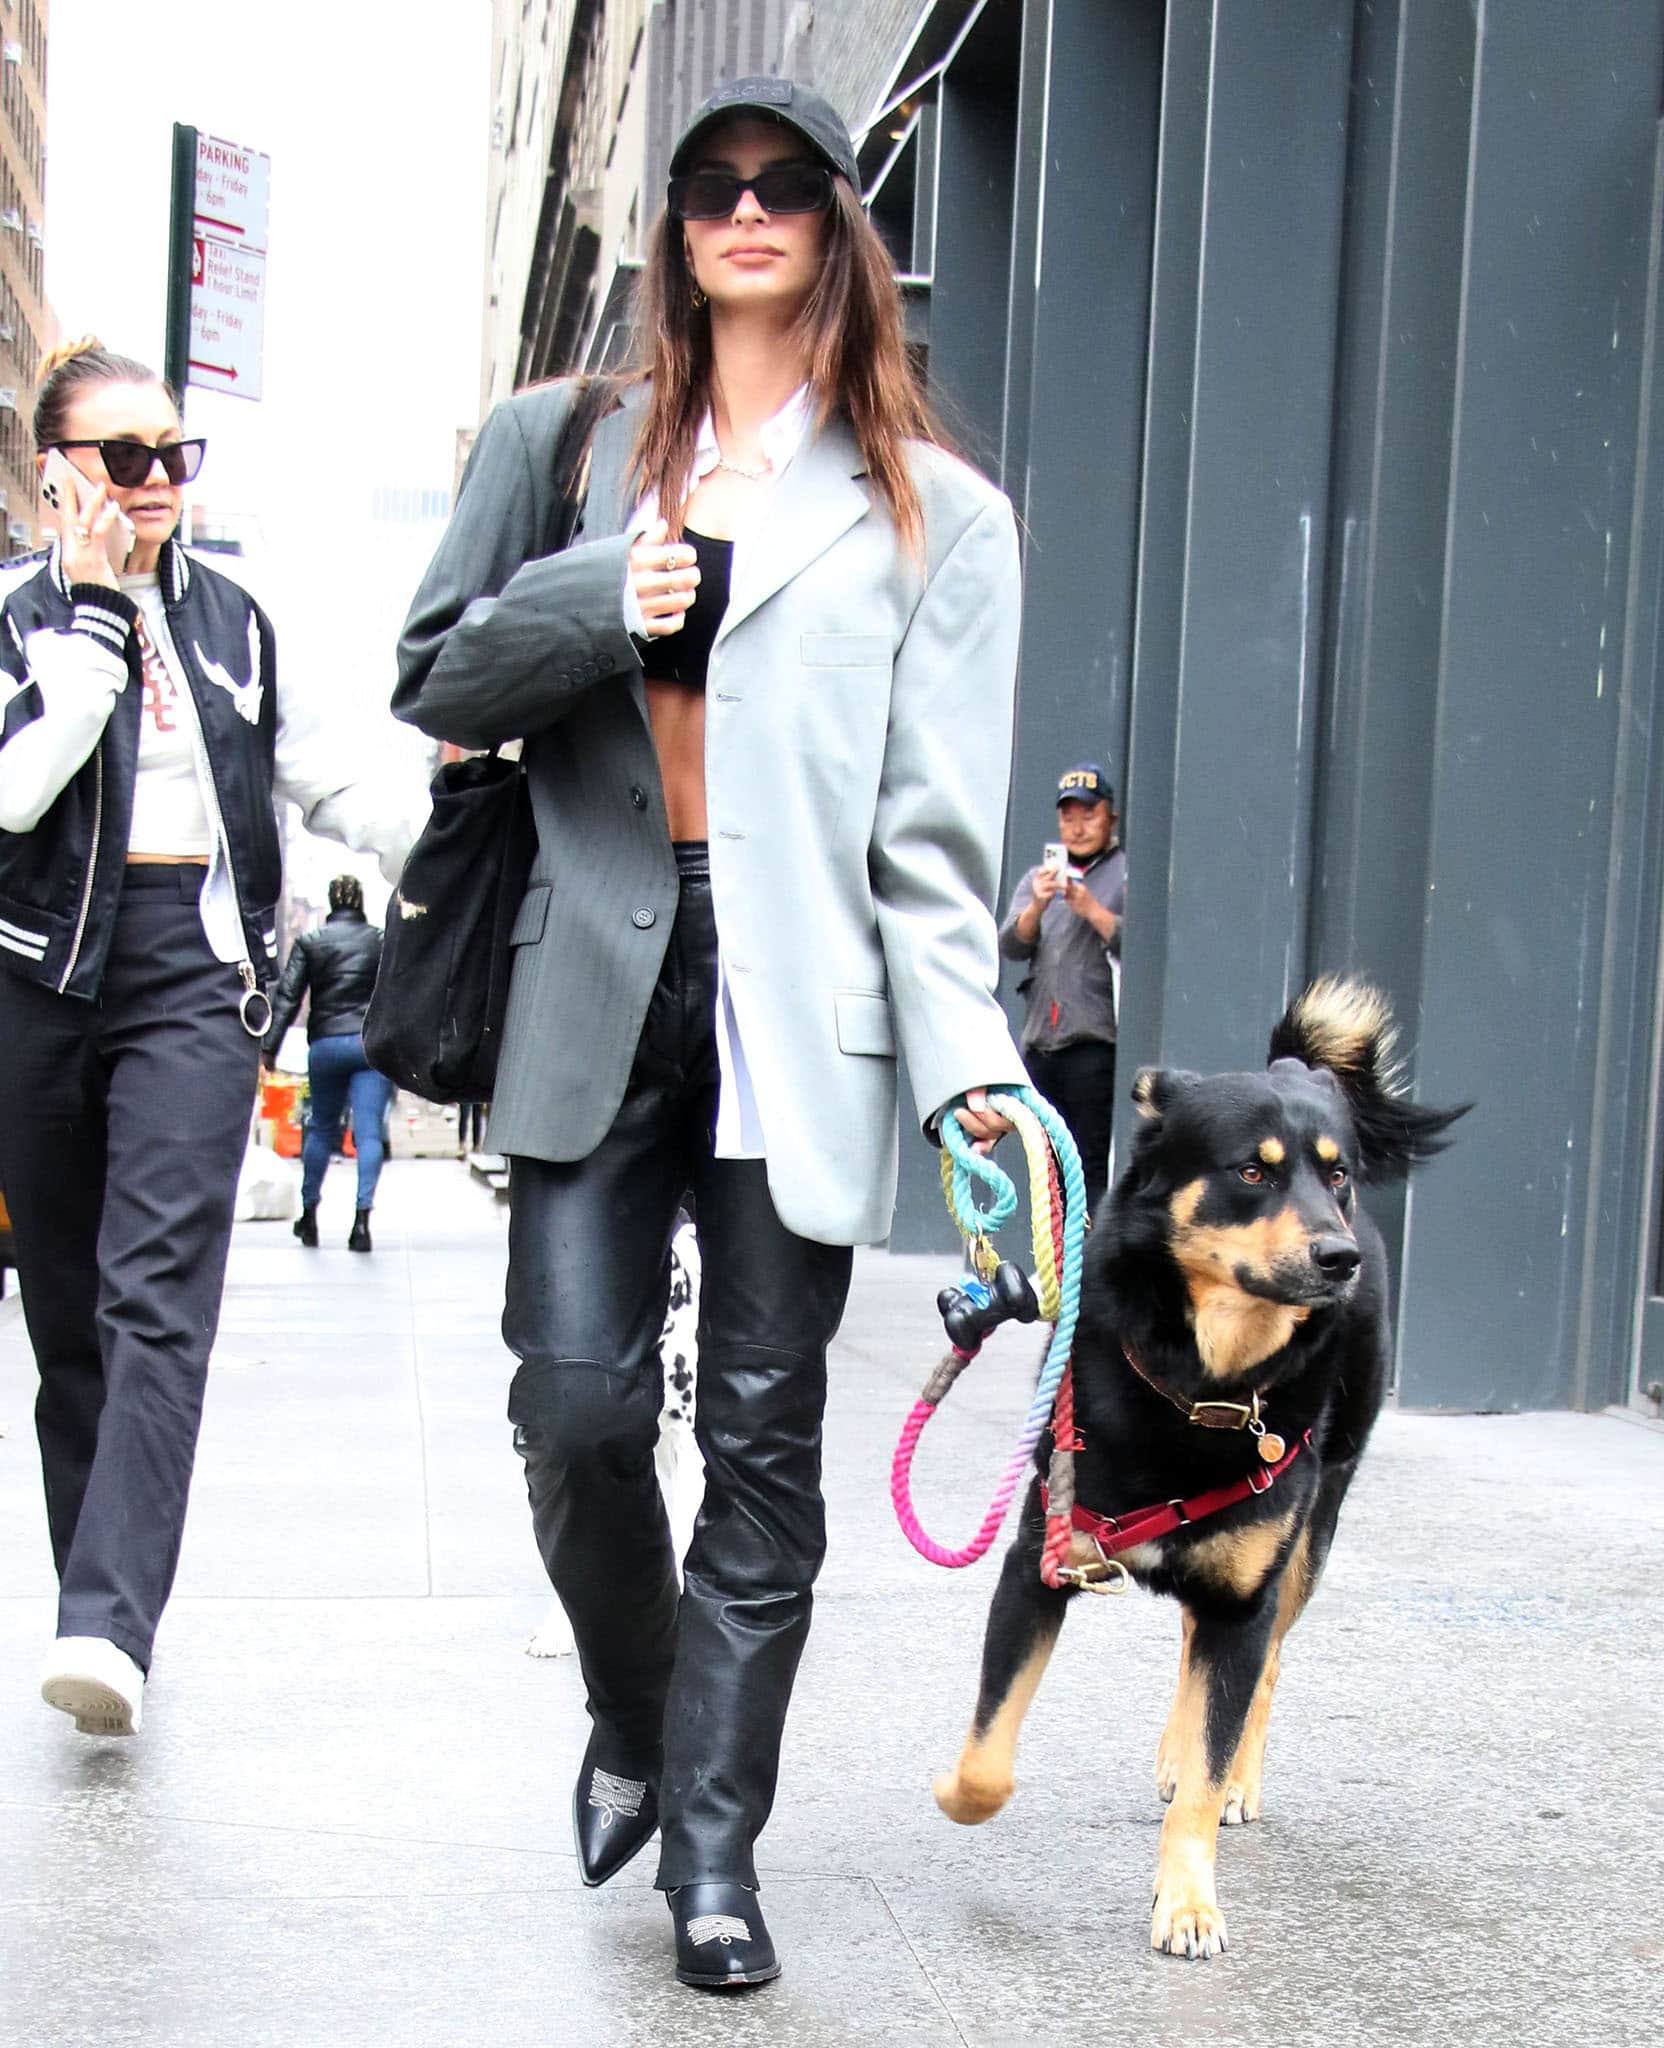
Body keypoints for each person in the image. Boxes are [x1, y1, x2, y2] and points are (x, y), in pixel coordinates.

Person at [394, 77, 1026, 1991]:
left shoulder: (940, 515)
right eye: (706, 186)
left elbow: (926, 852)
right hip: (597, 971)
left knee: (759, 1449)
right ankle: (635, 1711)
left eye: (780, 185)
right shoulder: (561, 444)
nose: (741, 212)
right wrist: (604, 597)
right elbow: (431, 666)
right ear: (672, 225)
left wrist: (974, 1073)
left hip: (794, 1015)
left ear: (838, 218)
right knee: (576, 1409)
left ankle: (714, 1855)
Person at [0, 339, 420, 1740]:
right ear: (55, 473)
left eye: (176, 452)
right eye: (125, 458)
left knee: (155, 1298)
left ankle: (109, 1623)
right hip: (34, 971)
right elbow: (15, 792)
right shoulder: (18, 619)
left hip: (194, 967)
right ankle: (97, 1592)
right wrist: (98, 634)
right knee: (68, 1324)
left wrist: (471, 828)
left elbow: (334, 778)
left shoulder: (240, 621)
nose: (159, 480)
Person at [998, 762, 1126, 1213]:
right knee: (1045, 1169)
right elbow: (1011, 944)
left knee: (1088, 1167)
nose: (1078, 826)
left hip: (1093, 1046)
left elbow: (1138, 943)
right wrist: (1037, 904)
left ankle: (1087, 1267)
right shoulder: (1040, 879)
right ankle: (1053, 1261)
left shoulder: (1125, 873)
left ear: (1111, 818)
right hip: (1041, 1045)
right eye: (1068, 816)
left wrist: (1089, 907)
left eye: (1089, 814)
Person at [262, 873, 394, 1251]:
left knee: (320, 1129)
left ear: (332, 902)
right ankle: (362, 1221)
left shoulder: (310, 942)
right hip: (369, 1046)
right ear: (360, 901)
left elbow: (287, 997)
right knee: (368, 1133)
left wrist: (269, 1048)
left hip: (325, 1045)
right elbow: (399, 992)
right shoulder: (379, 941)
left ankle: (309, 1216)